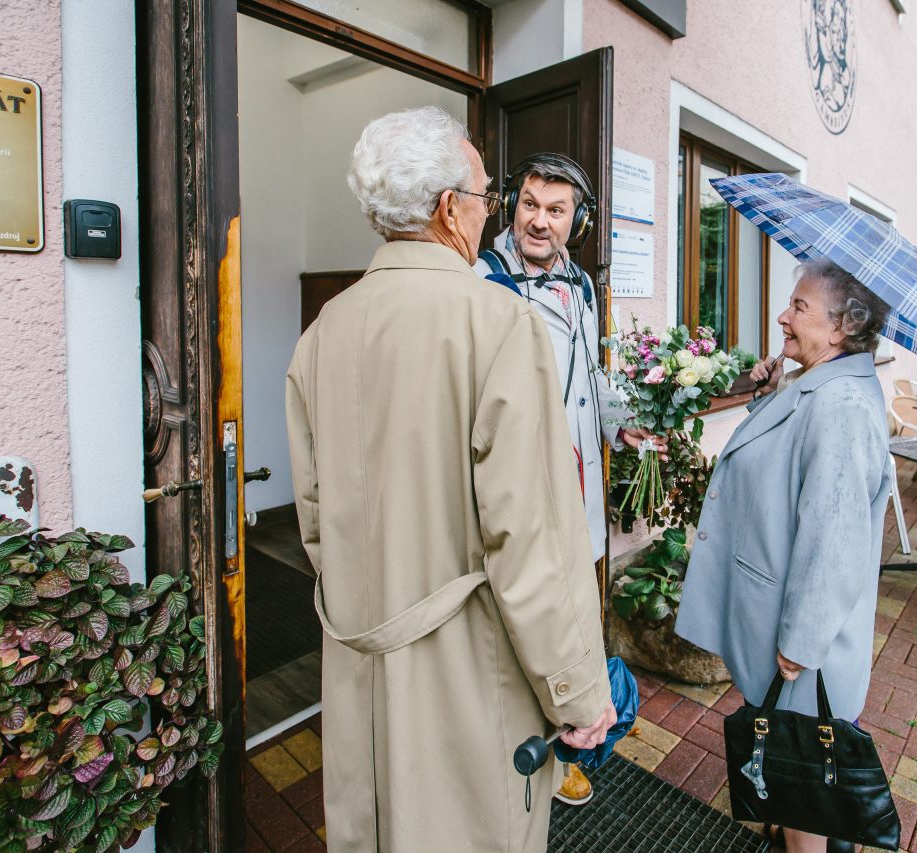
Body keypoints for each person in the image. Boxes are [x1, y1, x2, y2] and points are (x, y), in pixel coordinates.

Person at [286, 106, 615, 853]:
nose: (492, 210)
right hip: (471, 667)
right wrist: (577, 690)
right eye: (487, 196)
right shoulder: (498, 322)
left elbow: (314, 522)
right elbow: (529, 540)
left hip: (360, 662)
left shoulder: (320, 333)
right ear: (447, 208)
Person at [674, 258, 893, 853]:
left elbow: (834, 541)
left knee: (803, 779)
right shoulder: (817, 384)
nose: (782, 317)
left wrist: (801, 641)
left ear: (843, 326)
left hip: (801, 647)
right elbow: (785, 467)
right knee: (792, 772)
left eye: (799, 307)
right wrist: (770, 396)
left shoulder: (840, 406)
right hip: (778, 620)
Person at [473, 153, 663, 806]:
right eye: (530, 204)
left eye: (556, 210)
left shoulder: (581, 285)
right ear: (511, 206)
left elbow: (590, 375)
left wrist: (619, 424)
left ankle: (561, 747)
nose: (540, 221)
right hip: (522, 496)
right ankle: (519, 765)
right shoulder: (483, 283)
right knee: (522, 627)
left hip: (579, 492)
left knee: (572, 623)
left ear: (576, 221)